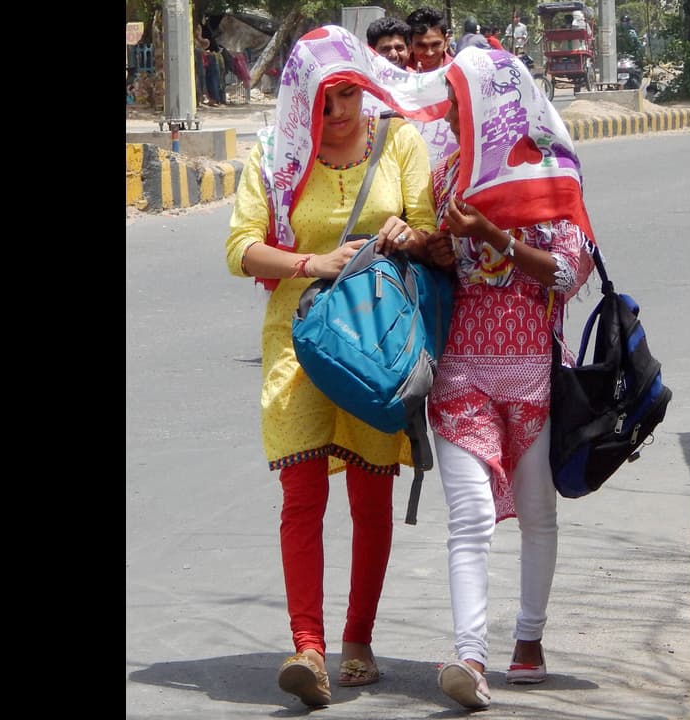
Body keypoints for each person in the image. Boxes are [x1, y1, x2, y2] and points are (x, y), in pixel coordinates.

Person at [223, 25, 440, 708]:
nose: (337, 111)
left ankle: (358, 638)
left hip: (377, 341)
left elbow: (429, 229)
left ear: (364, 88)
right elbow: (239, 248)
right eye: (322, 99)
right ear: (300, 99)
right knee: (302, 495)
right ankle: (309, 647)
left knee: (371, 495)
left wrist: (409, 233)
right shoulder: (274, 154)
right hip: (299, 344)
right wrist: (310, 263)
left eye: (347, 94)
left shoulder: (398, 140)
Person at [420, 47, 595, 710]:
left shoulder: (553, 174)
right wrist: (433, 249)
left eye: (464, 102)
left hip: (534, 378)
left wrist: (496, 235)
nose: (453, 115)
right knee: (469, 517)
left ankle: (529, 638)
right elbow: (438, 268)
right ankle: (470, 656)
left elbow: (566, 274)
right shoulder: (445, 176)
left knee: (537, 513)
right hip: (461, 371)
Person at [406, 7, 453, 72]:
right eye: (421, 45)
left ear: (446, 41)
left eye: (436, 44)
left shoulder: (459, 71)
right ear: (410, 43)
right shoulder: (397, 72)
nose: (429, 53)